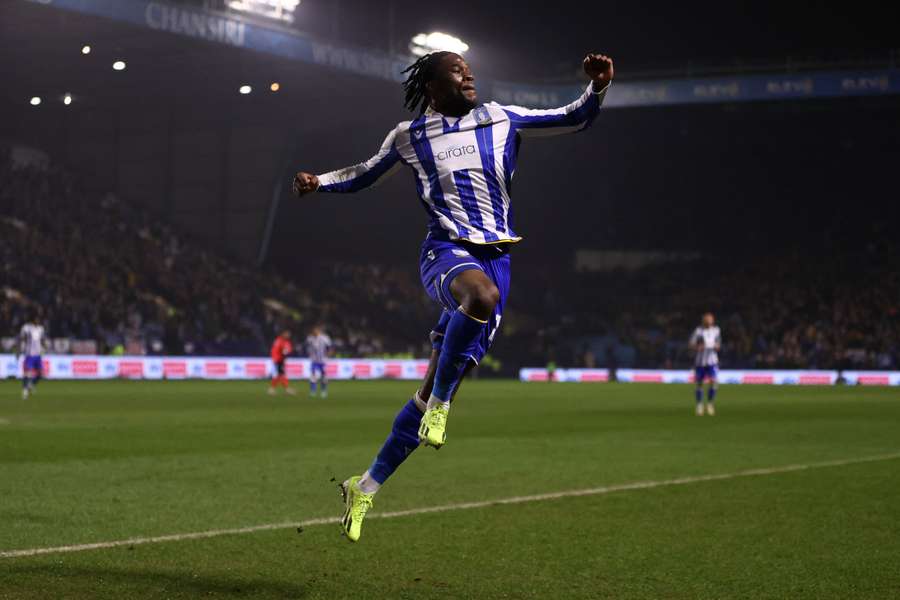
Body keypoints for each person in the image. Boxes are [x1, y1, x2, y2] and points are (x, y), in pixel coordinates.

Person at [293, 50, 614, 541]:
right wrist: (321, 182)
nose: (469, 75)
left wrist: (597, 87)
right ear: (433, 86)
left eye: (468, 69)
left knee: (425, 392)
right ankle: (441, 405)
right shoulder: (410, 136)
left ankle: (365, 486)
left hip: (497, 260)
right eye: (457, 70)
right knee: (477, 300)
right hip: (445, 254)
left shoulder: (501, 118)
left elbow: (571, 118)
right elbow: (364, 172)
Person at [690, 313, 721, 416]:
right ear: (703, 320)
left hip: (712, 362)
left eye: (710, 319)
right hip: (700, 362)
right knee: (699, 383)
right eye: (706, 319)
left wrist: (716, 346)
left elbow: (718, 344)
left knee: (713, 381)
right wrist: (697, 347)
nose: (708, 321)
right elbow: (691, 344)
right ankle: (699, 405)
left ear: (712, 321)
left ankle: (710, 404)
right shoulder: (698, 331)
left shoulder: (716, 330)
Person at [17, 316, 47, 400]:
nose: (38, 320)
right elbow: (21, 339)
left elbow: (42, 339)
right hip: (29, 354)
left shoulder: (41, 329)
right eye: (36, 319)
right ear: (32, 319)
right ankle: (24, 392)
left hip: (38, 354)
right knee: (27, 373)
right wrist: (19, 351)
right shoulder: (26, 328)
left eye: (39, 319)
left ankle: (31, 384)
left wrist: (45, 346)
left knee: (41, 373)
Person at [306, 325, 332, 398]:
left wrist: (328, 354)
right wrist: (309, 354)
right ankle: (313, 391)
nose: (315, 332)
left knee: (323, 376)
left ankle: (323, 391)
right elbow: (307, 347)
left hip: (322, 361)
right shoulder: (310, 338)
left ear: (319, 331)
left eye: (316, 330)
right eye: (314, 330)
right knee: (313, 376)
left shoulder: (325, 338)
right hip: (314, 360)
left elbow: (329, 347)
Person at [268, 330, 296, 395]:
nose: (288, 335)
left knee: (280, 374)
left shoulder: (286, 342)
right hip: (278, 360)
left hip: (282, 359)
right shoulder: (279, 341)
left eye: (289, 334)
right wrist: (275, 358)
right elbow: (275, 350)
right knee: (281, 374)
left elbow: (288, 350)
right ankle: (285, 389)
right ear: (283, 334)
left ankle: (273, 389)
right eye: (287, 334)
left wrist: (288, 351)